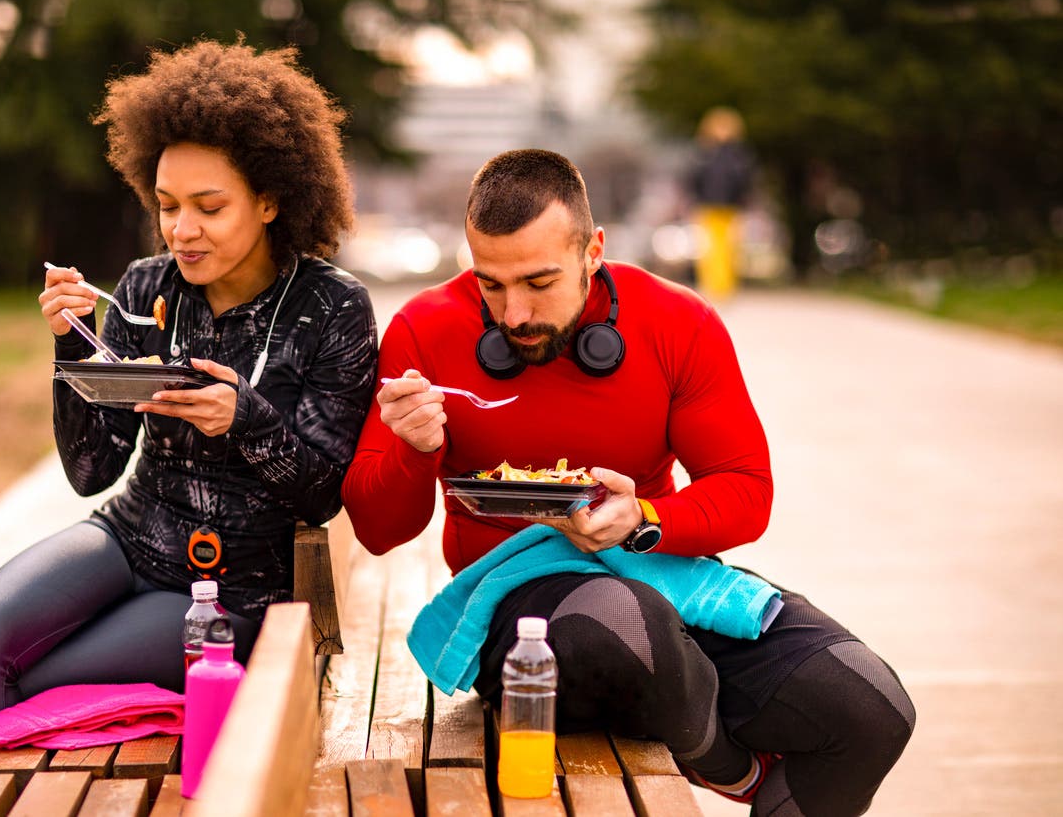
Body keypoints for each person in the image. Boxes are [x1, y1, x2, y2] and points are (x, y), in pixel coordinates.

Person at [342, 149, 914, 814]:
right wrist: (415, 451)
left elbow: (746, 490)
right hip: (526, 620)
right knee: (618, 619)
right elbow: (380, 531)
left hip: (659, 575)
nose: (513, 314)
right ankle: (732, 771)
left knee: (871, 709)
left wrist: (644, 518)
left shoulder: (676, 323)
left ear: (594, 251)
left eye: (538, 281)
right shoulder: (425, 330)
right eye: (491, 284)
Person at [0, 40, 378, 815]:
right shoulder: (148, 286)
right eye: (166, 205)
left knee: (7, 675)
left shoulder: (333, 308)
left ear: (270, 200)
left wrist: (244, 417)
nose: (181, 230)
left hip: (235, 587)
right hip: (127, 536)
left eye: (209, 206)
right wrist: (72, 347)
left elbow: (326, 491)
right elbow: (92, 470)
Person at [689, 106, 756, 300]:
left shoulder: (739, 154)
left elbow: (745, 181)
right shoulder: (704, 152)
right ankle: (712, 286)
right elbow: (694, 179)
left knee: (729, 248)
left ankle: (726, 288)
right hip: (708, 205)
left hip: (732, 207)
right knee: (709, 248)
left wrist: (743, 202)